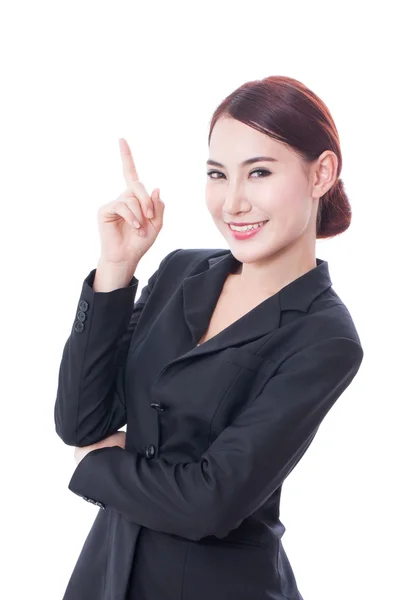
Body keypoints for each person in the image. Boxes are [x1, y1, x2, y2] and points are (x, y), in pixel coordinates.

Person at [54, 75, 364, 600]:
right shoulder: (180, 272)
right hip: (105, 574)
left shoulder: (325, 336)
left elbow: (211, 501)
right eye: (218, 174)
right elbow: (80, 421)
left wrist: (98, 464)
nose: (233, 202)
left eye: (259, 172)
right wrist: (115, 269)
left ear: (322, 174)